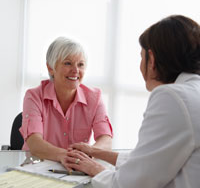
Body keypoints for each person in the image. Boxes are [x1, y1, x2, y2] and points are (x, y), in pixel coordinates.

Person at [63, 15, 200, 188]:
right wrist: (95, 152)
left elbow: (131, 183)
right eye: (67, 63)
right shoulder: (192, 92)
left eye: (141, 57)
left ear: (152, 60)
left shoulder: (172, 97)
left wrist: (94, 168)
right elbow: (151, 159)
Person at [19, 37, 113, 167]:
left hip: (76, 168)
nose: (75, 71)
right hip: (38, 166)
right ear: (51, 68)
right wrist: (66, 156)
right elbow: (35, 144)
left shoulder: (95, 97)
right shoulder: (34, 96)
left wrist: (89, 153)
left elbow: (106, 139)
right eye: (68, 63)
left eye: (80, 64)